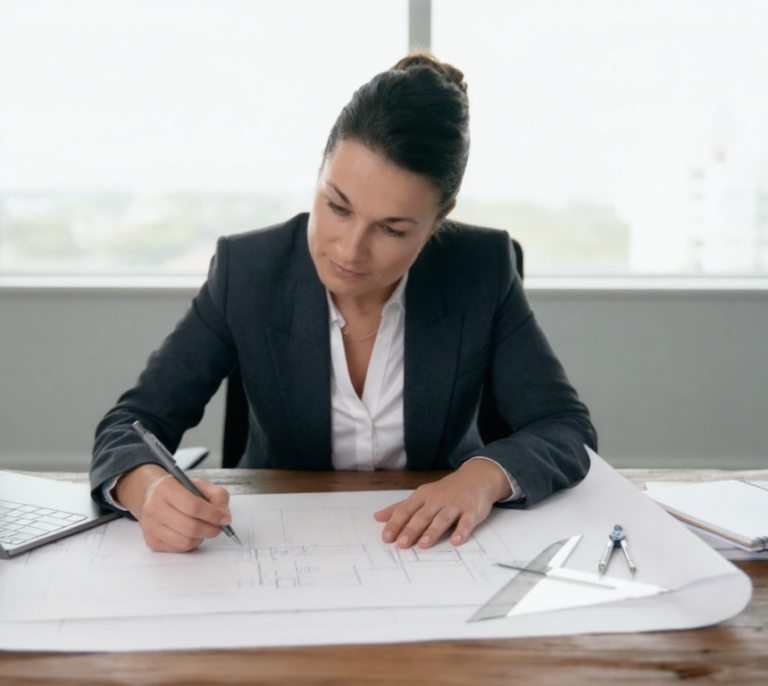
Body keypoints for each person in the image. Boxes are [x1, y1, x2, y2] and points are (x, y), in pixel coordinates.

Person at [90, 53, 596, 554]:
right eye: (337, 206)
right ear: (320, 173)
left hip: (438, 548)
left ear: (439, 220)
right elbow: (132, 424)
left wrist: (480, 478)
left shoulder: (481, 267)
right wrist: (147, 490)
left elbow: (565, 427)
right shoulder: (248, 271)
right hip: (273, 544)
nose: (350, 250)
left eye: (392, 229)